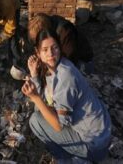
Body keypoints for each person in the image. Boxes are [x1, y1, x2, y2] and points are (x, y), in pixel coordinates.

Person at [21, 29, 111, 163]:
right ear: (38, 53)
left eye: (54, 48)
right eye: (45, 50)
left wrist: (35, 98)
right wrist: (34, 74)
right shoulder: (56, 68)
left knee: (35, 120)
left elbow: (58, 125)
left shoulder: (65, 76)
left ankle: (69, 160)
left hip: (93, 145)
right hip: (96, 137)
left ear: (60, 48)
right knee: (38, 112)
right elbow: (47, 103)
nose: (50, 54)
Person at [27, 13, 94, 74]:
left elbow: (68, 59)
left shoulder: (65, 32)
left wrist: (47, 70)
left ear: (45, 32)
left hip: (82, 62)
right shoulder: (48, 26)